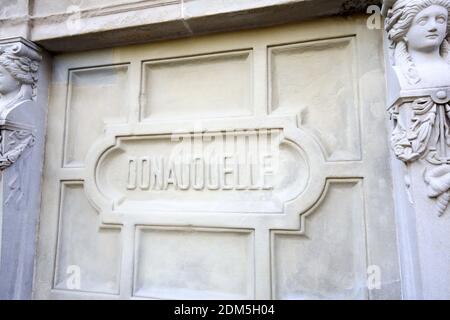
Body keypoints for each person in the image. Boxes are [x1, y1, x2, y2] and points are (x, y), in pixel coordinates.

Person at [386, 0, 450, 88]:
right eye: (423, 21)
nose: (433, 27)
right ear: (404, 31)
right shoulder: (400, 74)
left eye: (440, 20)